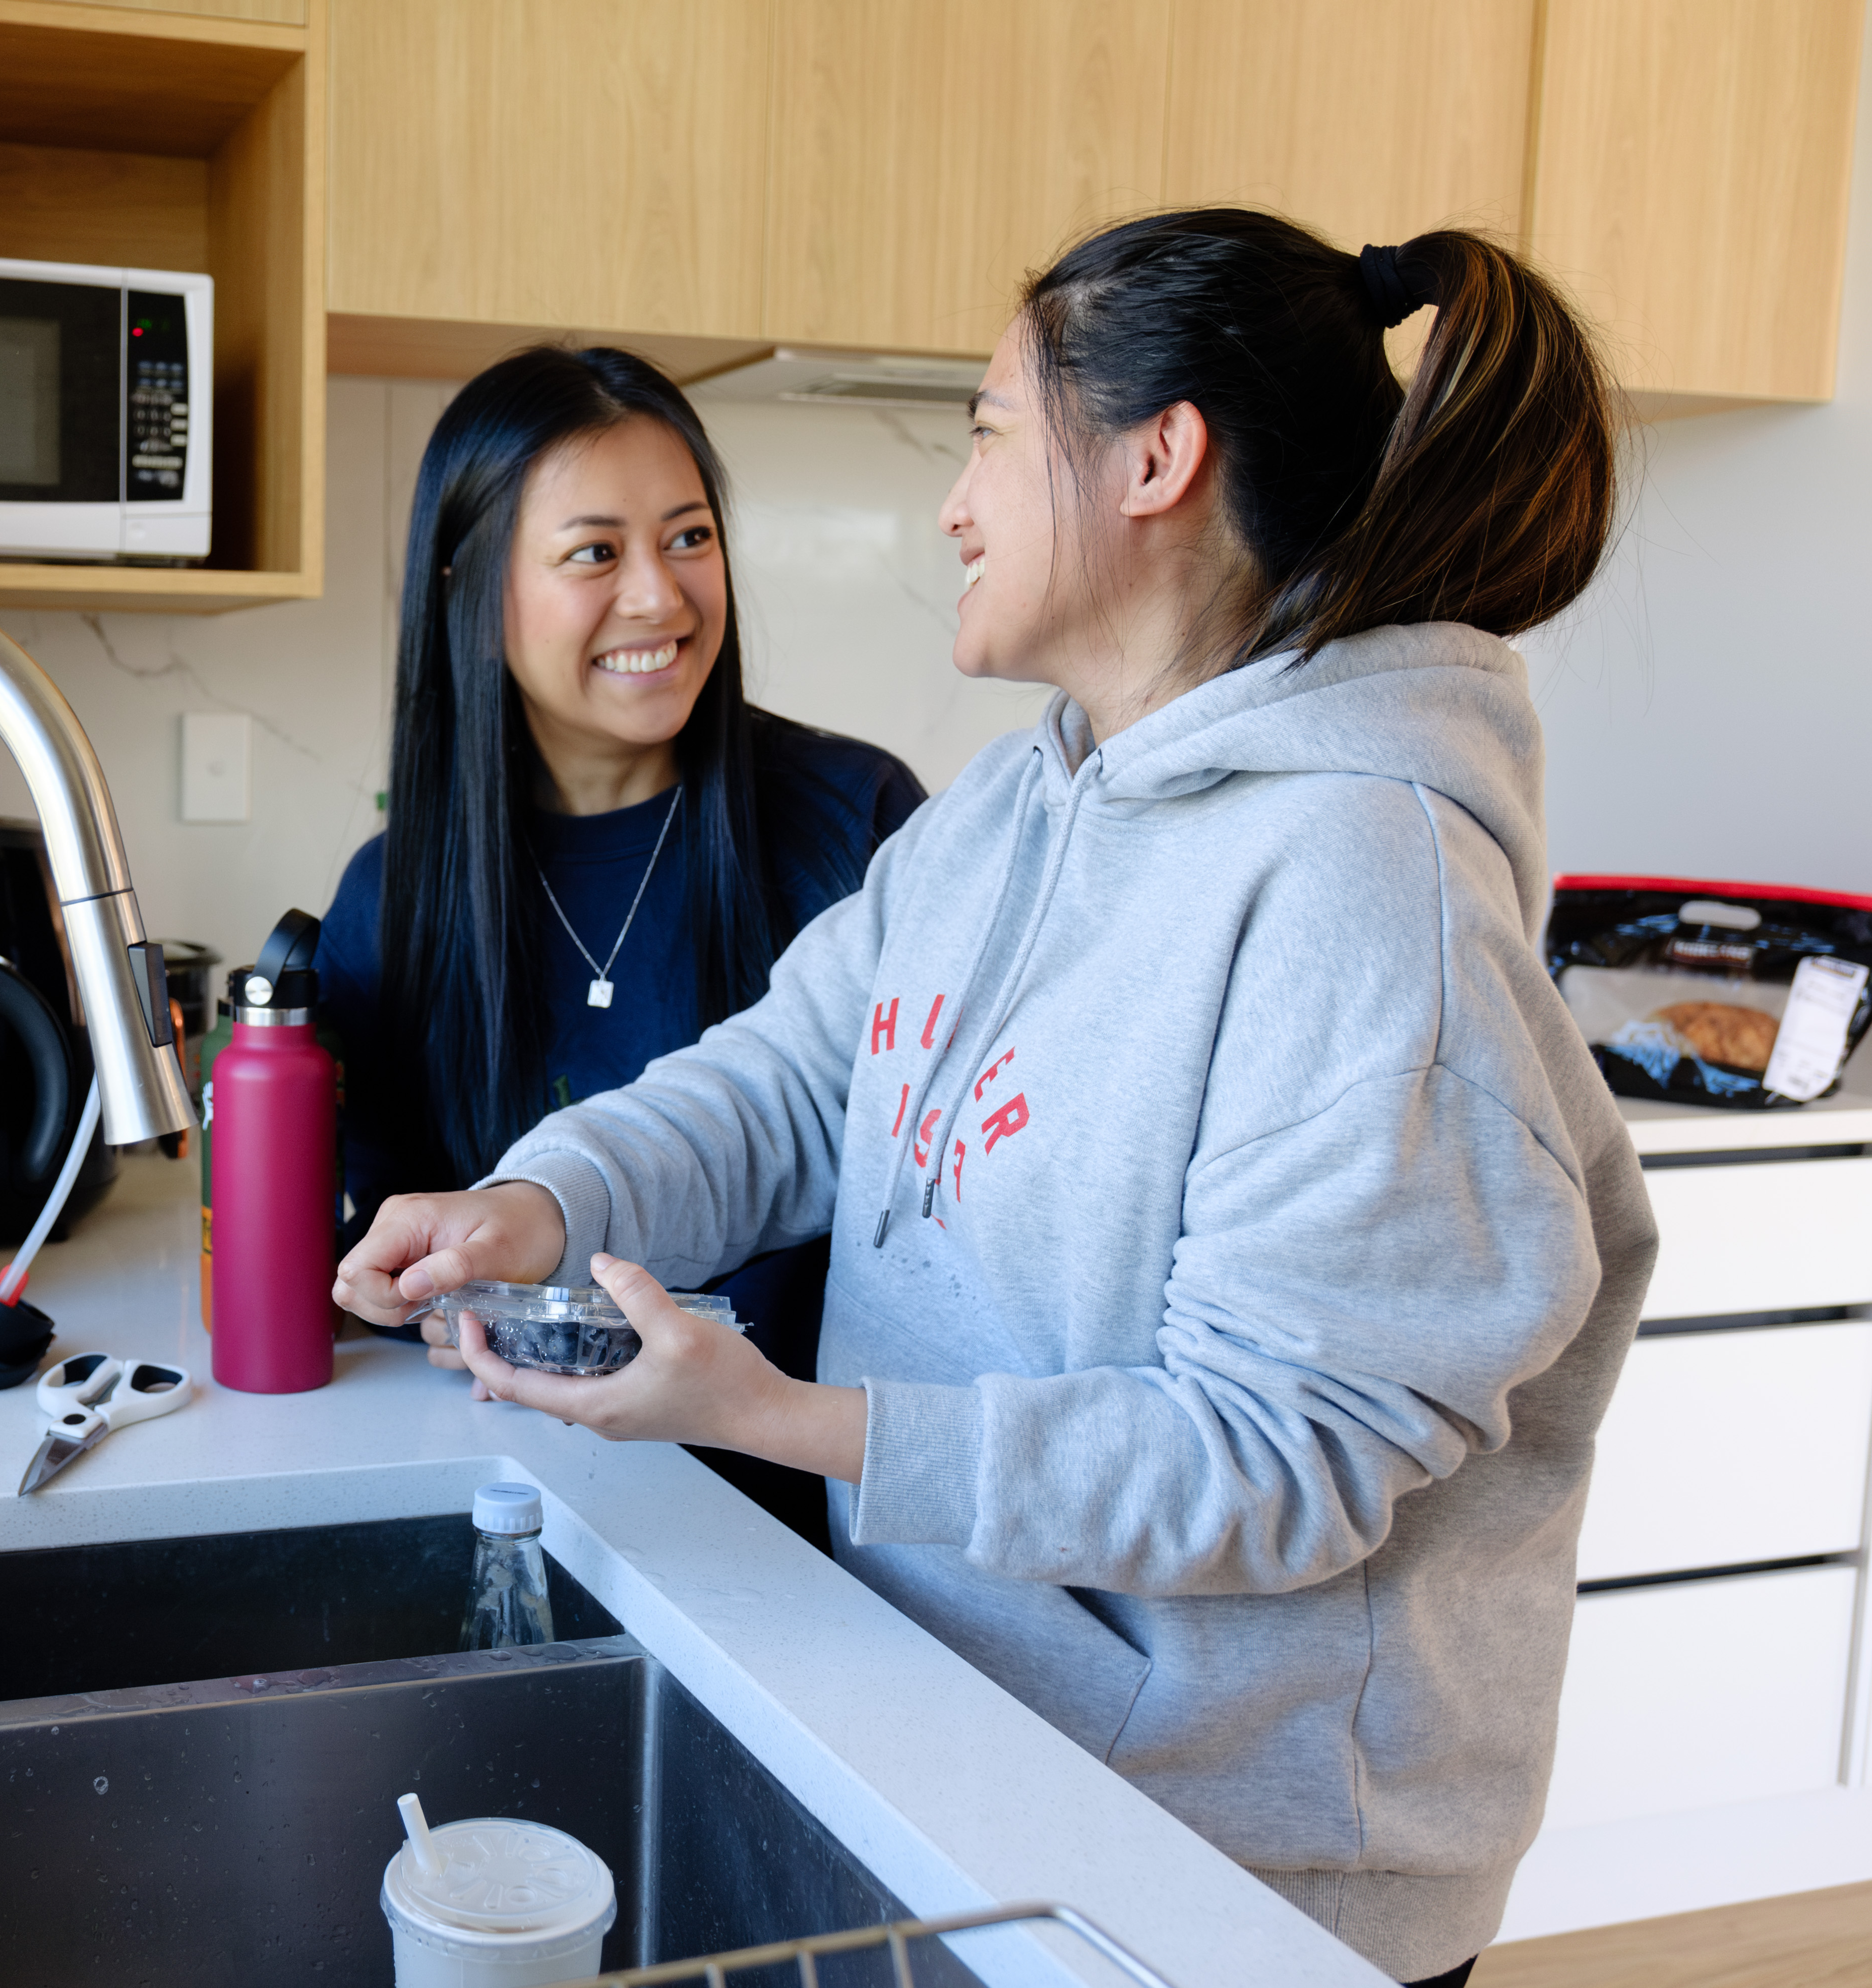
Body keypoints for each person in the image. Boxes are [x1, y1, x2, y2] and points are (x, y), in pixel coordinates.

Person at [333, 212, 1657, 1988]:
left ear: (1154, 460)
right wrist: (546, 1201)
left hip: (1233, 1875)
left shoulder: (1363, 879)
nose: (952, 502)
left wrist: (792, 1416)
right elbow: (797, 1078)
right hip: (977, 1741)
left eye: (981, 432)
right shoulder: (1013, 806)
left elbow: (1276, 1458)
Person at [314, 346, 927, 1539]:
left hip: (817, 1525)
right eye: (595, 552)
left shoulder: (855, 823)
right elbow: (371, 1253)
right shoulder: (393, 897)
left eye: (687, 537)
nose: (659, 596)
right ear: (469, 587)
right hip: (516, 1495)